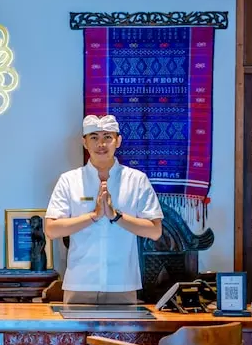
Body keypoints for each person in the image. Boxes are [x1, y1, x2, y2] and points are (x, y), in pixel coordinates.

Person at [44, 115, 163, 304]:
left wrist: (116, 216)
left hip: (122, 284)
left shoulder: (136, 180)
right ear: (85, 142)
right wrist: (93, 216)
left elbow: (155, 231)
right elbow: (51, 230)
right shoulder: (69, 180)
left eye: (107, 137)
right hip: (80, 284)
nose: (101, 144)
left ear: (118, 141)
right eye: (94, 137)